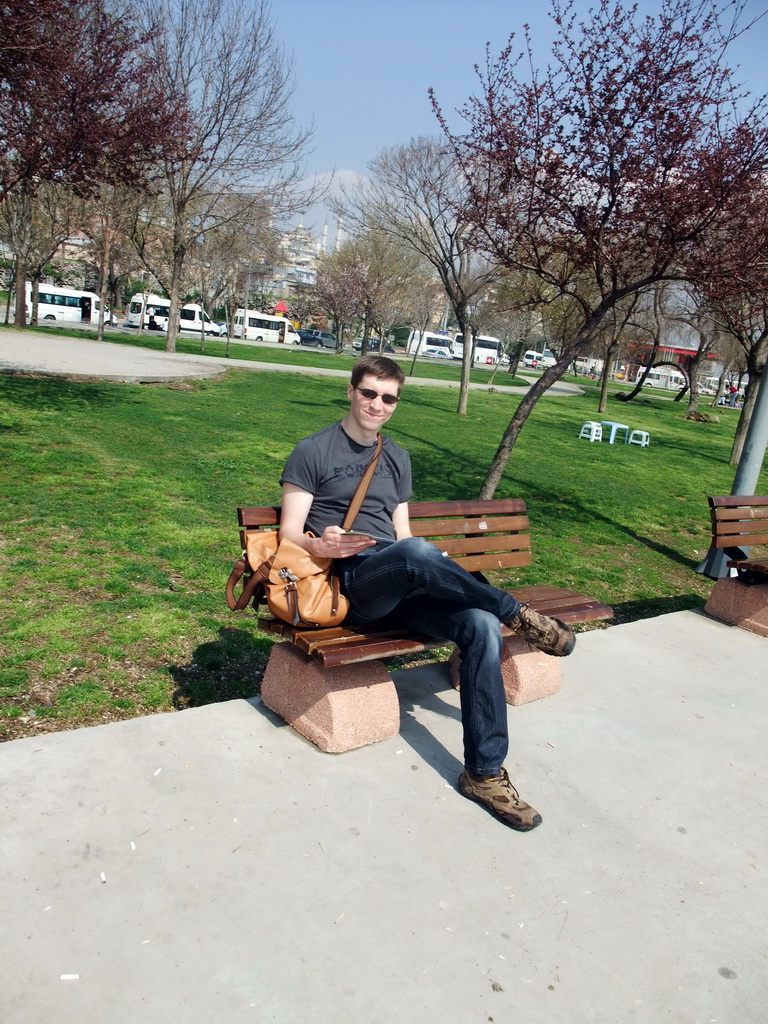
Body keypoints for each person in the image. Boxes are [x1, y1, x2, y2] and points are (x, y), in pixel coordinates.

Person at [278, 356, 575, 832]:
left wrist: (419, 565)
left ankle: (483, 773)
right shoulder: (313, 451)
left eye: (388, 397)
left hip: (404, 580)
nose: (378, 404)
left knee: (479, 626)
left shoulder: (395, 456)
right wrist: (320, 544)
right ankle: (516, 612)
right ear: (351, 391)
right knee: (418, 554)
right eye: (370, 393)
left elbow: (402, 532)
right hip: (355, 584)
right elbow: (289, 531)